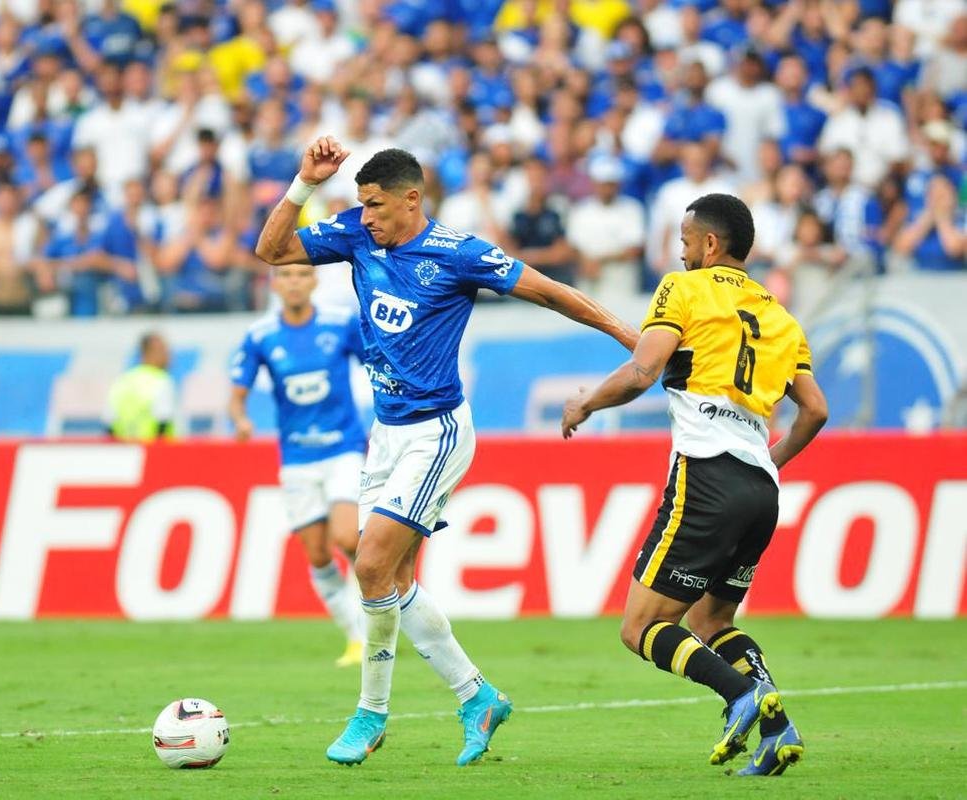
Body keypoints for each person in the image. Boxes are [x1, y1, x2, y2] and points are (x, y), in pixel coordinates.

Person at [255, 137, 639, 767]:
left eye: (376, 204)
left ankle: (371, 715)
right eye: (361, 204)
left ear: (412, 199)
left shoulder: (458, 253)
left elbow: (550, 292)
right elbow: (271, 251)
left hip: (437, 433)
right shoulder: (354, 234)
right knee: (395, 580)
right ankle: (477, 696)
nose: (366, 215)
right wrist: (302, 183)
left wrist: (629, 336)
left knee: (371, 565)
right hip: (386, 435)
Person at [561, 193, 829, 776]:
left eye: (684, 243)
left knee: (641, 628)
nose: (680, 254)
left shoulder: (683, 290)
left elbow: (642, 370)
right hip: (761, 489)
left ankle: (740, 695)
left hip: (706, 475)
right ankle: (778, 732)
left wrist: (588, 402)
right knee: (713, 623)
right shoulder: (783, 319)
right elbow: (815, 411)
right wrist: (768, 460)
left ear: (710, 244)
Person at [228, 263, 367, 668]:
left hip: (343, 446)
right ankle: (356, 637)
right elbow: (238, 394)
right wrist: (240, 419)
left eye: (301, 274)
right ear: (274, 284)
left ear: (314, 281)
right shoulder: (260, 335)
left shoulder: (341, 323)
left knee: (348, 538)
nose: (293, 282)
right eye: (285, 275)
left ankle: (384, 603)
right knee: (318, 554)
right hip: (297, 458)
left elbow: (376, 366)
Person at [103, 331, 177, 440]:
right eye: (163, 351)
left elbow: (109, 423)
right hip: (154, 452)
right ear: (149, 353)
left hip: (126, 452)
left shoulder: (122, 380)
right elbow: (163, 423)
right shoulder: (161, 380)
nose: (169, 356)